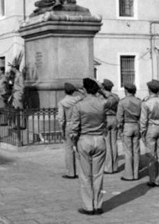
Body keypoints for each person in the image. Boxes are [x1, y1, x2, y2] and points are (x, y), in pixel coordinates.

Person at [69, 78, 107, 216]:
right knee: (98, 175)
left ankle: (88, 206)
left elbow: (74, 128)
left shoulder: (79, 105)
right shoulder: (102, 103)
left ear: (84, 89)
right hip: (100, 139)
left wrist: (73, 142)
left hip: (84, 139)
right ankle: (98, 205)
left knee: (85, 175)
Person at [140, 79, 159, 187]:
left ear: (149, 90)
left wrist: (143, 133)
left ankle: (153, 178)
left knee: (151, 155)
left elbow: (143, 120)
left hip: (150, 128)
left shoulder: (146, 103)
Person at [57, 82, 83, 179]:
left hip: (68, 125)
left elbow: (61, 118)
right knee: (79, 148)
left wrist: (61, 130)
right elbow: (86, 96)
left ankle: (71, 172)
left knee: (69, 149)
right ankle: (82, 171)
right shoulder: (78, 99)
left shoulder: (62, 102)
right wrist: (78, 90)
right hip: (78, 124)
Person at [117, 83, 142, 182]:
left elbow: (119, 117)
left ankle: (129, 174)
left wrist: (119, 128)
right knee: (136, 151)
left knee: (128, 151)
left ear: (126, 90)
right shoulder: (139, 101)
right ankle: (136, 174)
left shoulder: (122, 102)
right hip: (136, 125)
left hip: (127, 126)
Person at [101, 79, 120, 174]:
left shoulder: (103, 98)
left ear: (104, 87)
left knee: (107, 144)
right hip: (115, 119)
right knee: (114, 143)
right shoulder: (116, 97)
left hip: (106, 119)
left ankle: (108, 167)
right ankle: (115, 166)